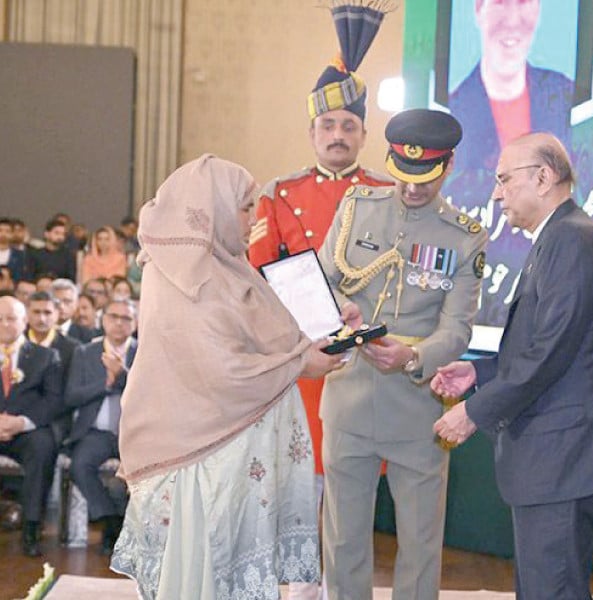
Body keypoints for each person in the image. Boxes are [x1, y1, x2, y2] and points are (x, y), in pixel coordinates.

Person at [109, 154, 345, 599]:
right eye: (243, 207)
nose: (252, 218)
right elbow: (219, 369)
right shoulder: (181, 275)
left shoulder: (228, 267)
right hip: (196, 452)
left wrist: (323, 331)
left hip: (231, 457)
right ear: (212, 207)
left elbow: (267, 335)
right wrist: (300, 363)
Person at [432, 133, 593, 599]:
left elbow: (550, 352)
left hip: (566, 459)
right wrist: (479, 373)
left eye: (505, 179)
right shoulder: (563, 236)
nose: (495, 193)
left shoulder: (571, 241)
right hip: (561, 458)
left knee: (554, 591)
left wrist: (473, 411)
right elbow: (549, 346)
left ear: (543, 177)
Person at [248, 6, 392, 596]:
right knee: (299, 493)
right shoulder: (281, 194)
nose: (338, 134)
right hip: (303, 367)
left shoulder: (388, 195)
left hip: (367, 370)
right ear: (312, 133)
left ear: (364, 133)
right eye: (327, 124)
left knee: (352, 497)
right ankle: (300, 592)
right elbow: (258, 277)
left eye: (348, 126)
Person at [317, 108, 488, 600]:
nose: (412, 188)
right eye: (403, 175)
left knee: (418, 544)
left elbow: (457, 328)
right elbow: (325, 279)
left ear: (448, 165)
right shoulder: (356, 206)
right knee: (344, 539)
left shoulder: (465, 235)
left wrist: (412, 359)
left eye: (425, 179)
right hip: (348, 398)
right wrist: (342, 308)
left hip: (417, 409)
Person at [445, 0, 575, 329]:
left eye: (525, 3)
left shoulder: (564, 94)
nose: (514, 20)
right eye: (501, 3)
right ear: (478, 10)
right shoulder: (454, 105)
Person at [65, 299, 137, 555]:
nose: (119, 323)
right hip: (95, 432)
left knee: (144, 472)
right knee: (79, 465)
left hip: (134, 434)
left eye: (126, 318)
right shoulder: (85, 352)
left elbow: (151, 394)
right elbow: (71, 396)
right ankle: (110, 521)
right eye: (113, 316)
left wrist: (122, 374)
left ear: (135, 323)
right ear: (103, 320)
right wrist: (106, 384)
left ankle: (133, 532)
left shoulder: (145, 352)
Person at [0, 295, 63, 557]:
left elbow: (53, 400)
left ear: (24, 321)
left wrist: (19, 423)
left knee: (43, 445)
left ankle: (31, 528)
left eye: (11, 318)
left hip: (27, 430)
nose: (4, 324)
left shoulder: (46, 356)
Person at [26, 290, 80, 443]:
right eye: (36, 312)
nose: (41, 318)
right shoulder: (16, 342)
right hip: (15, 414)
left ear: (57, 314)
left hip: (55, 418)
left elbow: (70, 394)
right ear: (27, 313)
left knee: (42, 443)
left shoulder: (73, 349)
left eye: (47, 312)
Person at [51, 278, 95, 343]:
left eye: (67, 301)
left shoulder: (87, 335)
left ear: (76, 304)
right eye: (56, 301)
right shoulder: (37, 331)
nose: (61, 306)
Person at [0, 217, 26, 282]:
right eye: (0, 230)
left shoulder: (20, 255)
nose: (3, 234)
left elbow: (21, 276)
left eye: (7, 231)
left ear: (12, 234)